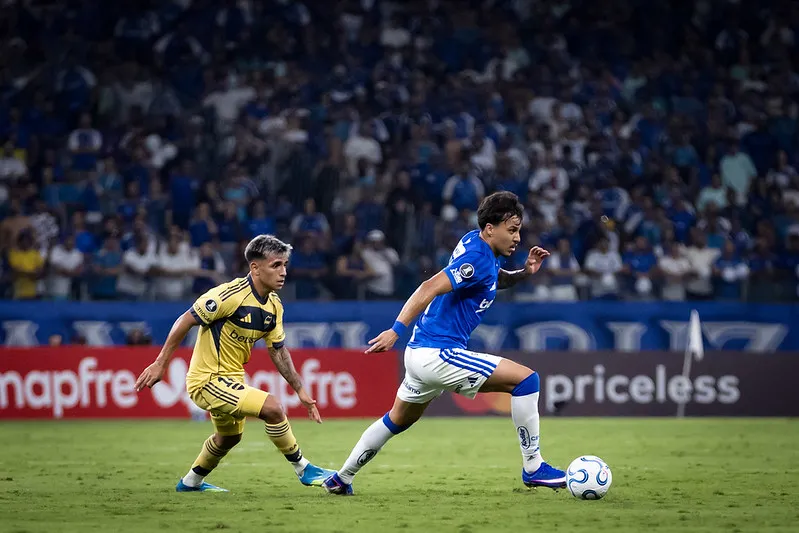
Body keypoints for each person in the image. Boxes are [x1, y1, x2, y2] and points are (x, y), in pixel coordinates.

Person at [323, 192, 566, 495]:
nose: (518, 238)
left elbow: (491, 279)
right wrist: (395, 330)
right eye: (512, 229)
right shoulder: (476, 258)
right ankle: (533, 467)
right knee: (527, 380)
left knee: (396, 420)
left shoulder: (477, 248)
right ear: (490, 228)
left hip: (419, 353)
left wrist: (524, 273)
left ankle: (341, 478)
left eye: (518, 230)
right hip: (439, 353)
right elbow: (429, 286)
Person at [134, 234, 333, 492]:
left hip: (233, 379)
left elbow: (279, 352)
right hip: (207, 380)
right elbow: (185, 320)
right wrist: (160, 363)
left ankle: (191, 482)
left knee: (229, 437)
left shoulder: (274, 306)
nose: (283, 272)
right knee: (273, 408)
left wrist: (300, 389)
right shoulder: (228, 295)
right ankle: (304, 469)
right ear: (255, 268)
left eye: (285, 265)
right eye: (276, 265)